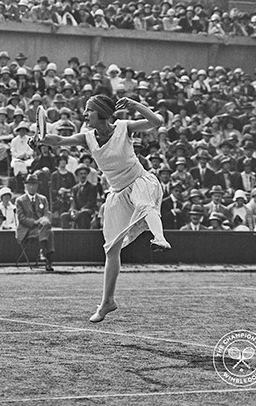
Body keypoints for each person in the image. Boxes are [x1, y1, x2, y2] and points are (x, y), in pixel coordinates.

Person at [41, 94, 169, 323]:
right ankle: (107, 301)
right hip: (117, 194)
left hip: (140, 181)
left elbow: (157, 122)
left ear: (101, 112)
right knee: (111, 249)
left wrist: (135, 105)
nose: (84, 114)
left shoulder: (124, 127)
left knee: (145, 203)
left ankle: (159, 238)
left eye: (89, 110)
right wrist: (39, 139)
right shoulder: (87, 137)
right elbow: (58, 140)